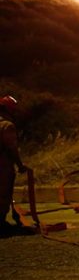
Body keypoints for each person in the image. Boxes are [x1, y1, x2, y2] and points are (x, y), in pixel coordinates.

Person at [0, 96, 27, 233]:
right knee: (3, 193)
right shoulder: (7, 126)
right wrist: (20, 165)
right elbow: (11, 148)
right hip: (3, 166)